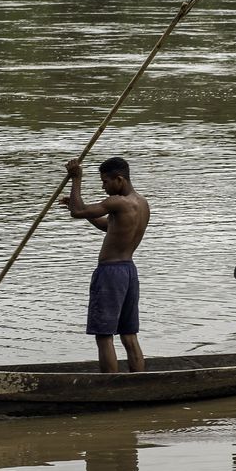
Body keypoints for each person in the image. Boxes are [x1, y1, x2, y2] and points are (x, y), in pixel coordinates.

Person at [60, 156, 150, 373]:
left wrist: (76, 178)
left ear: (119, 179)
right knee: (128, 334)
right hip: (128, 271)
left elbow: (78, 211)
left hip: (111, 273)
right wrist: (77, 206)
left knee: (104, 334)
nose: (103, 186)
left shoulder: (117, 202)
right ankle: (140, 383)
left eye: (105, 182)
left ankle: (110, 386)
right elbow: (107, 226)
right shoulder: (142, 203)